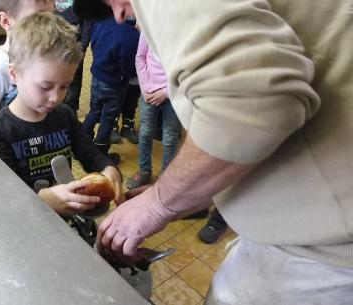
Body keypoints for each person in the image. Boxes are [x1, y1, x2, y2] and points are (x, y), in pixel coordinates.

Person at [73, 0, 353, 304]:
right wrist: (183, 191)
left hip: (322, 249)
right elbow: (220, 97)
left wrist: (159, 203)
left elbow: (252, 102)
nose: (119, 15)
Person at [0, 12, 123, 217]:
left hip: (68, 217)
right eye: (45, 86)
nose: (55, 97)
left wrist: (108, 169)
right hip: (30, 220)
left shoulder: (64, 115)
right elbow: (7, 196)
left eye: (64, 86)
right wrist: (41, 199)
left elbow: (90, 154)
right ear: (14, 75)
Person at [0, 0, 55, 142]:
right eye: (37, 19)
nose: (49, 28)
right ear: (6, 21)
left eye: (52, 18)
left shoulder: (47, 58)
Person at [126, 33, 182, 189]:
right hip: (149, 92)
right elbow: (140, 58)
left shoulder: (182, 34)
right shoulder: (148, 28)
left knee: (170, 138)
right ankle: (144, 170)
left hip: (173, 95)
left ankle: (166, 177)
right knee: (145, 133)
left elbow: (186, 73)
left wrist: (164, 93)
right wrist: (145, 89)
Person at [81, 16, 139, 164]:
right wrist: (127, 76)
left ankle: (81, 144)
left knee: (94, 111)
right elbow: (128, 64)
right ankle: (100, 152)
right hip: (114, 83)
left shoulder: (101, 21)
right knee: (108, 119)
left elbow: (94, 44)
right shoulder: (131, 35)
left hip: (96, 75)